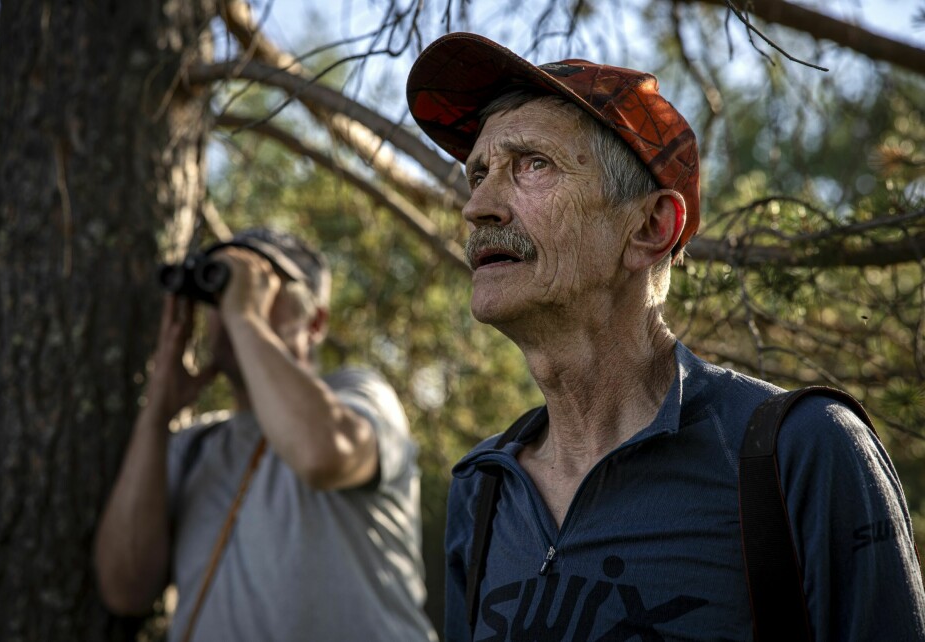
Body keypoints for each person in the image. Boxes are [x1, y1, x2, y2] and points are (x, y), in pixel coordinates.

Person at [406, 32, 925, 640]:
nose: (479, 207)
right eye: (478, 174)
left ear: (651, 226)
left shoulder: (802, 453)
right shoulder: (483, 490)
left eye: (533, 165)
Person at [94, 228, 437, 641]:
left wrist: (245, 316)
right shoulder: (193, 448)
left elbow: (322, 455)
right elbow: (125, 589)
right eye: (220, 287)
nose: (231, 302)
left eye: (261, 285)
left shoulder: (358, 398)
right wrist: (156, 415)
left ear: (315, 322)